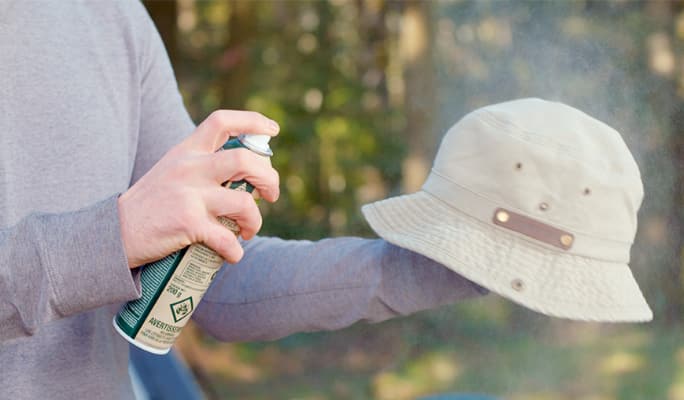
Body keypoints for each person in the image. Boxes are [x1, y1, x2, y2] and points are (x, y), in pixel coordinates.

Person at [0, 3, 485, 399]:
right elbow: (122, 236)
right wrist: (115, 237)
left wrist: (442, 262)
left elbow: (211, 283)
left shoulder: (111, 15)